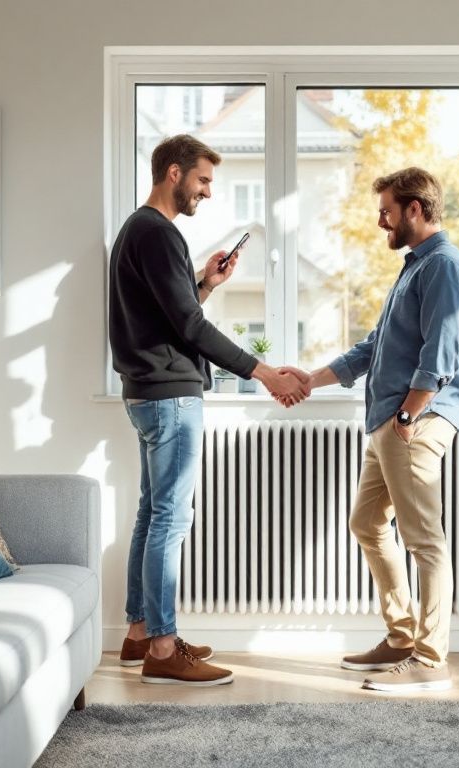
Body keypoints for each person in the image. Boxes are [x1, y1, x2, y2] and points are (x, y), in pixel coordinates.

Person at [109, 134, 308, 686]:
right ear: (173, 173)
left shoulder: (137, 231)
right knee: (170, 520)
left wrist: (205, 282)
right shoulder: (159, 232)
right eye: (203, 181)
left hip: (147, 393)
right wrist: (263, 371)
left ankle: (139, 634)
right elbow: (189, 329)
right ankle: (164, 648)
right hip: (169, 397)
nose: (208, 192)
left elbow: (174, 315)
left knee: (153, 515)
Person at [284, 167, 459, 692]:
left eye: (387, 211)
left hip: (413, 422)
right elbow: (373, 348)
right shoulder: (414, 269)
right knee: (367, 523)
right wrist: (311, 378)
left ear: (415, 209)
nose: (380, 222)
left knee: (424, 541)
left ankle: (430, 657)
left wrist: (410, 417)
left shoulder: (443, 268)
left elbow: (441, 354)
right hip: (390, 421)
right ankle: (399, 637)